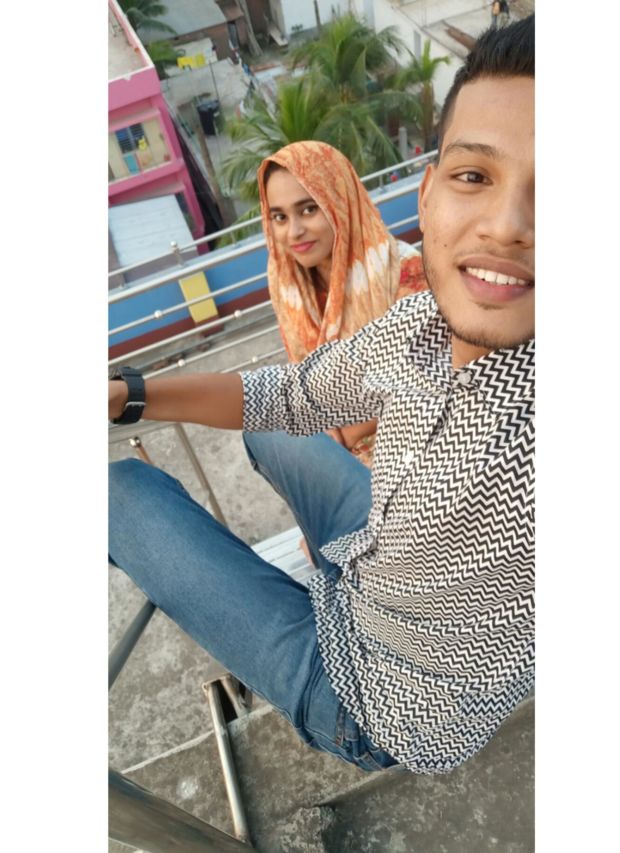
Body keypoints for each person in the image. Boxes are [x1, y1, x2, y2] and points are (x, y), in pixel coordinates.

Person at [109, 15, 535, 776]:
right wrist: (129, 394)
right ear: (428, 192)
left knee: (115, 490)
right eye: (475, 176)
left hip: (380, 699)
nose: (506, 226)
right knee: (272, 426)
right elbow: (294, 393)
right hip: (374, 547)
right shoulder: (423, 322)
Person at [258, 140, 428, 466]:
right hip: (343, 457)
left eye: (309, 209)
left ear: (340, 201)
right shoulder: (291, 288)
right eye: (279, 216)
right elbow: (304, 383)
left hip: (422, 452)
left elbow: (439, 377)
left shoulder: (402, 272)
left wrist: (347, 434)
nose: (294, 231)